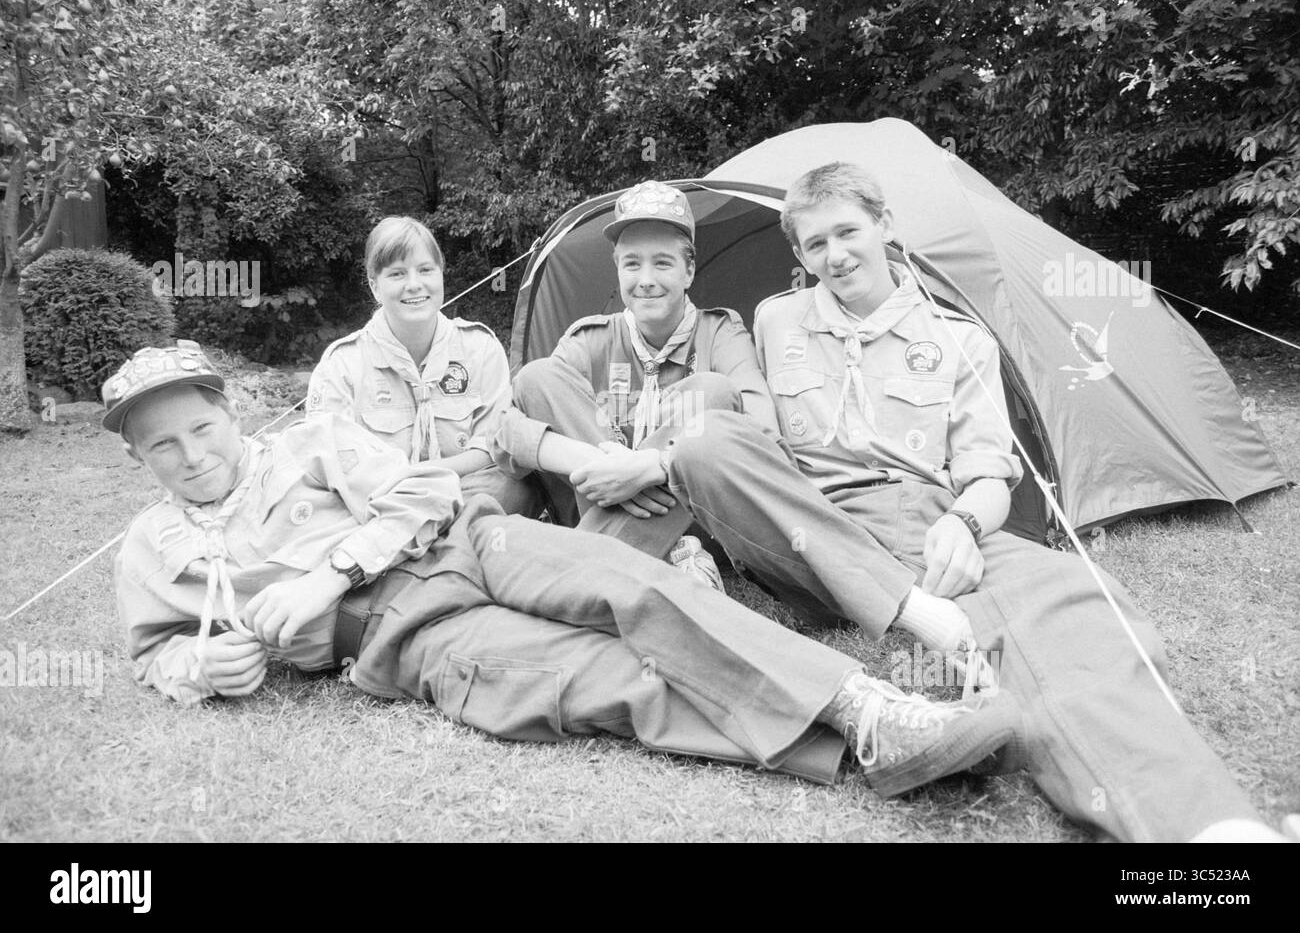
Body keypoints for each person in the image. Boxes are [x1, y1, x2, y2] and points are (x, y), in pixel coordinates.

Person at [558, 161, 1294, 843]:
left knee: (1072, 610)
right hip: (803, 529)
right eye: (816, 243)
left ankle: (1209, 831)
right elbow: (744, 442)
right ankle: (916, 615)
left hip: (920, 520)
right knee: (706, 439)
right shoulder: (777, 320)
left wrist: (965, 523)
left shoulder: (961, 339)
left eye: (848, 231)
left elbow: (987, 476)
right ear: (800, 254)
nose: (836, 254)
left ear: (884, 226)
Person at [103, 340, 1020, 799]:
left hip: (469, 542)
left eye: (201, 429)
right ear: (140, 458)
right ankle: (863, 749)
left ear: (230, 413)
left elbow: (420, 497)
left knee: (635, 588)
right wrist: (204, 670)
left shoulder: (307, 443)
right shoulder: (153, 547)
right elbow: (155, 654)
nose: (190, 456)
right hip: (401, 634)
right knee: (597, 680)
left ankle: (871, 704)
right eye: (162, 447)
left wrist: (324, 573)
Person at [493, 181, 779, 589]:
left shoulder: (721, 333)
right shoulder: (588, 339)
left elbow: (762, 432)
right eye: (631, 264)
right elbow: (503, 433)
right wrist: (593, 463)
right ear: (617, 269)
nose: (645, 280)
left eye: (662, 263)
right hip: (593, 506)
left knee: (711, 392)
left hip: (699, 524)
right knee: (537, 377)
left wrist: (654, 468)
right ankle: (668, 561)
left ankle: (601, 567)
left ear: (689, 271)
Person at [308, 216, 541, 517]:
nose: (414, 285)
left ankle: (425, 544)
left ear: (441, 275)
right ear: (374, 286)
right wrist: (406, 490)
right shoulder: (343, 364)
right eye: (397, 274)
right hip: (381, 501)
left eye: (425, 270)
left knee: (516, 488)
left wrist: (427, 480)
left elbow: (490, 449)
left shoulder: (480, 348)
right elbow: (329, 463)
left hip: (463, 494)